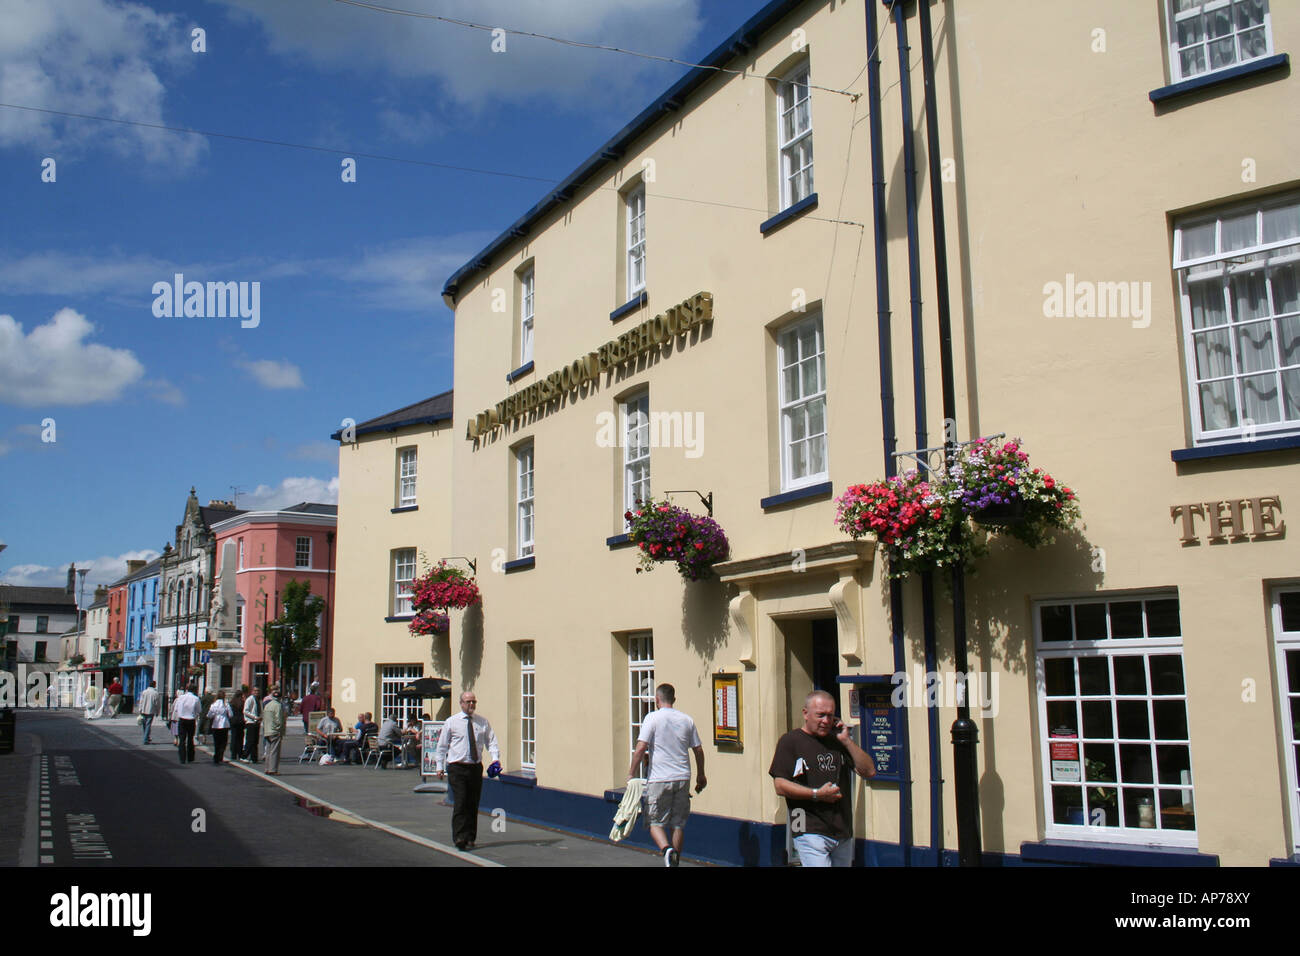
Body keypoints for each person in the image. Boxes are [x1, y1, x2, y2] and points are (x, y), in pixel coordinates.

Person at [769, 689, 876, 867]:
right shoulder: (790, 741)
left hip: (842, 829)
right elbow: (779, 785)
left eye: (830, 715)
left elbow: (869, 771)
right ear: (805, 713)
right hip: (806, 827)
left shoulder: (837, 741)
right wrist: (816, 794)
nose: (825, 721)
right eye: (820, 715)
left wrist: (847, 741)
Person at [626, 683, 706, 867]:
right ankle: (674, 860)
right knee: (678, 824)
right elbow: (698, 750)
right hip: (682, 777)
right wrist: (701, 775)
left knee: (654, 822)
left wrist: (631, 774)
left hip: (659, 778)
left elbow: (640, 749)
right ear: (674, 699)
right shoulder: (687, 720)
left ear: (657, 700)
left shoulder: (652, 718)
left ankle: (666, 850)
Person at [436, 691, 500, 851]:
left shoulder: (482, 722)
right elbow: (442, 746)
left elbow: (491, 741)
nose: (471, 704)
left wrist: (495, 759)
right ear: (461, 703)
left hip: (475, 767)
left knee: (472, 802)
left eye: (473, 702)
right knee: (461, 801)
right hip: (457, 767)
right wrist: (439, 766)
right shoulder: (451, 722)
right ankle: (459, 837)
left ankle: (471, 836)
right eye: (468, 702)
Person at [174, 683, 202, 765]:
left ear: (187, 689)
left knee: (182, 739)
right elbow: (199, 710)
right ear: (194, 690)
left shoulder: (181, 698)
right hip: (191, 719)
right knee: (190, 738)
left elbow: (176, 709)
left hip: (182, 719)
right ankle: (190, 757)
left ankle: (182, 758)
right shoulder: (196, 699)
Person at [262, 685, 285, 775]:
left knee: (268, 750)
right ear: (279, 698)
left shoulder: (267, 705)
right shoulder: (278, 706)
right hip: (275, 731)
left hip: (267, 730)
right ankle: (273, 769)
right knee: (275, 751)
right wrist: (279, 729)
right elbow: (279, 719)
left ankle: (267, 768)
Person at [207, 690, 233, 764]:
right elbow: (231, 714)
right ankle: (220, 755)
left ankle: (216, 755)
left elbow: (209, 715)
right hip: (224, 724)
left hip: (216, 724)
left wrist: (214, 715)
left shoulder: (214, 704)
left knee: (216, 741)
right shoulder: (226, 704)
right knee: (223, 741)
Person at [136, 680, 161, 745]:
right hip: (151, 710)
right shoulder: (155, 693)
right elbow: (157, 703)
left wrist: (140, 709)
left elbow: (141, 701)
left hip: (144, 710)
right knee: (148, 724)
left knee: (145, 724)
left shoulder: (144, 692)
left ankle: (146, 736)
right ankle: (145, 739)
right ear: (154, 685)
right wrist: (158, 711)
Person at [242, 685, 262, 762]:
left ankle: (254, 758)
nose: (257, 692)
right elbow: (245, 711)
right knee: (250, 740)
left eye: (258, 691)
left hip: (257, 723)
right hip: (250, 722)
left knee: (255, 741)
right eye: (255, 691)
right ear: (252, 691)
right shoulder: (249, 699)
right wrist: (254, 717)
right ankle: (244, 756)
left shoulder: (258, 699)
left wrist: (260, 717)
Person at [229, 687, 246, 761]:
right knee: (240, 738)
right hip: (241, 721)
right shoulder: (242, 703)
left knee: (234, 738)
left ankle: (233, 754)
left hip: (233, 721)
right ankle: (240, 753)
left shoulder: (232, 703)